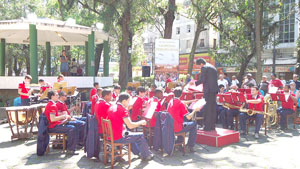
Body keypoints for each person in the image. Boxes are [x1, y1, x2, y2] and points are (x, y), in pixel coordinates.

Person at [107, 93, 153, 161]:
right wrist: (141, 122)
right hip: (118, 137)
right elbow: (130, 126)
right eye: (128, 101)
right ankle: (146, 155)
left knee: (131, 134)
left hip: (110, 135)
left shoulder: (112, 107)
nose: (129, 103)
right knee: (140, 135)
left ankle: (138, 152)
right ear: (124, 101)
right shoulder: (122, 110)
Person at [44, 90, 78, 155]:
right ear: (52, 96)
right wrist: (63, 116)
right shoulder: (52, 106)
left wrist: (64, 118)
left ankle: (71, 146)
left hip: (55, 124)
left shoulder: (52, 104)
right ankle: (70, 149)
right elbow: (52, 119)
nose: (58, 96)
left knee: (73, 125)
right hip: (53, 127)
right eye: (56, 95)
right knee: (72, 128)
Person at [167, 87, 198, 153]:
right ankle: (191, 145)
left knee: (185, 122)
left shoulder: (171, 101)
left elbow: (183, 102)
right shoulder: (180, 104)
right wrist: (195, 110)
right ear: (181, 95)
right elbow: (189, 117)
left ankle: (180, 142)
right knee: (194, 124)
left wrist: (192, 101)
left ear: (174, 94)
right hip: (177, 127)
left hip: (170, 125)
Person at [195, 58, 218, 131]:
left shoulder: (204, 67)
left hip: (208, 91)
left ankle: (207, 127)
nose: (199, 67)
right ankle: (212, 126)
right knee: (213, 108)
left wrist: (195, 83)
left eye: (199, 66)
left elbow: (203, 79)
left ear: (201, 64)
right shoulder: (213, 67)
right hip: (214, 90)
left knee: (207, 109)